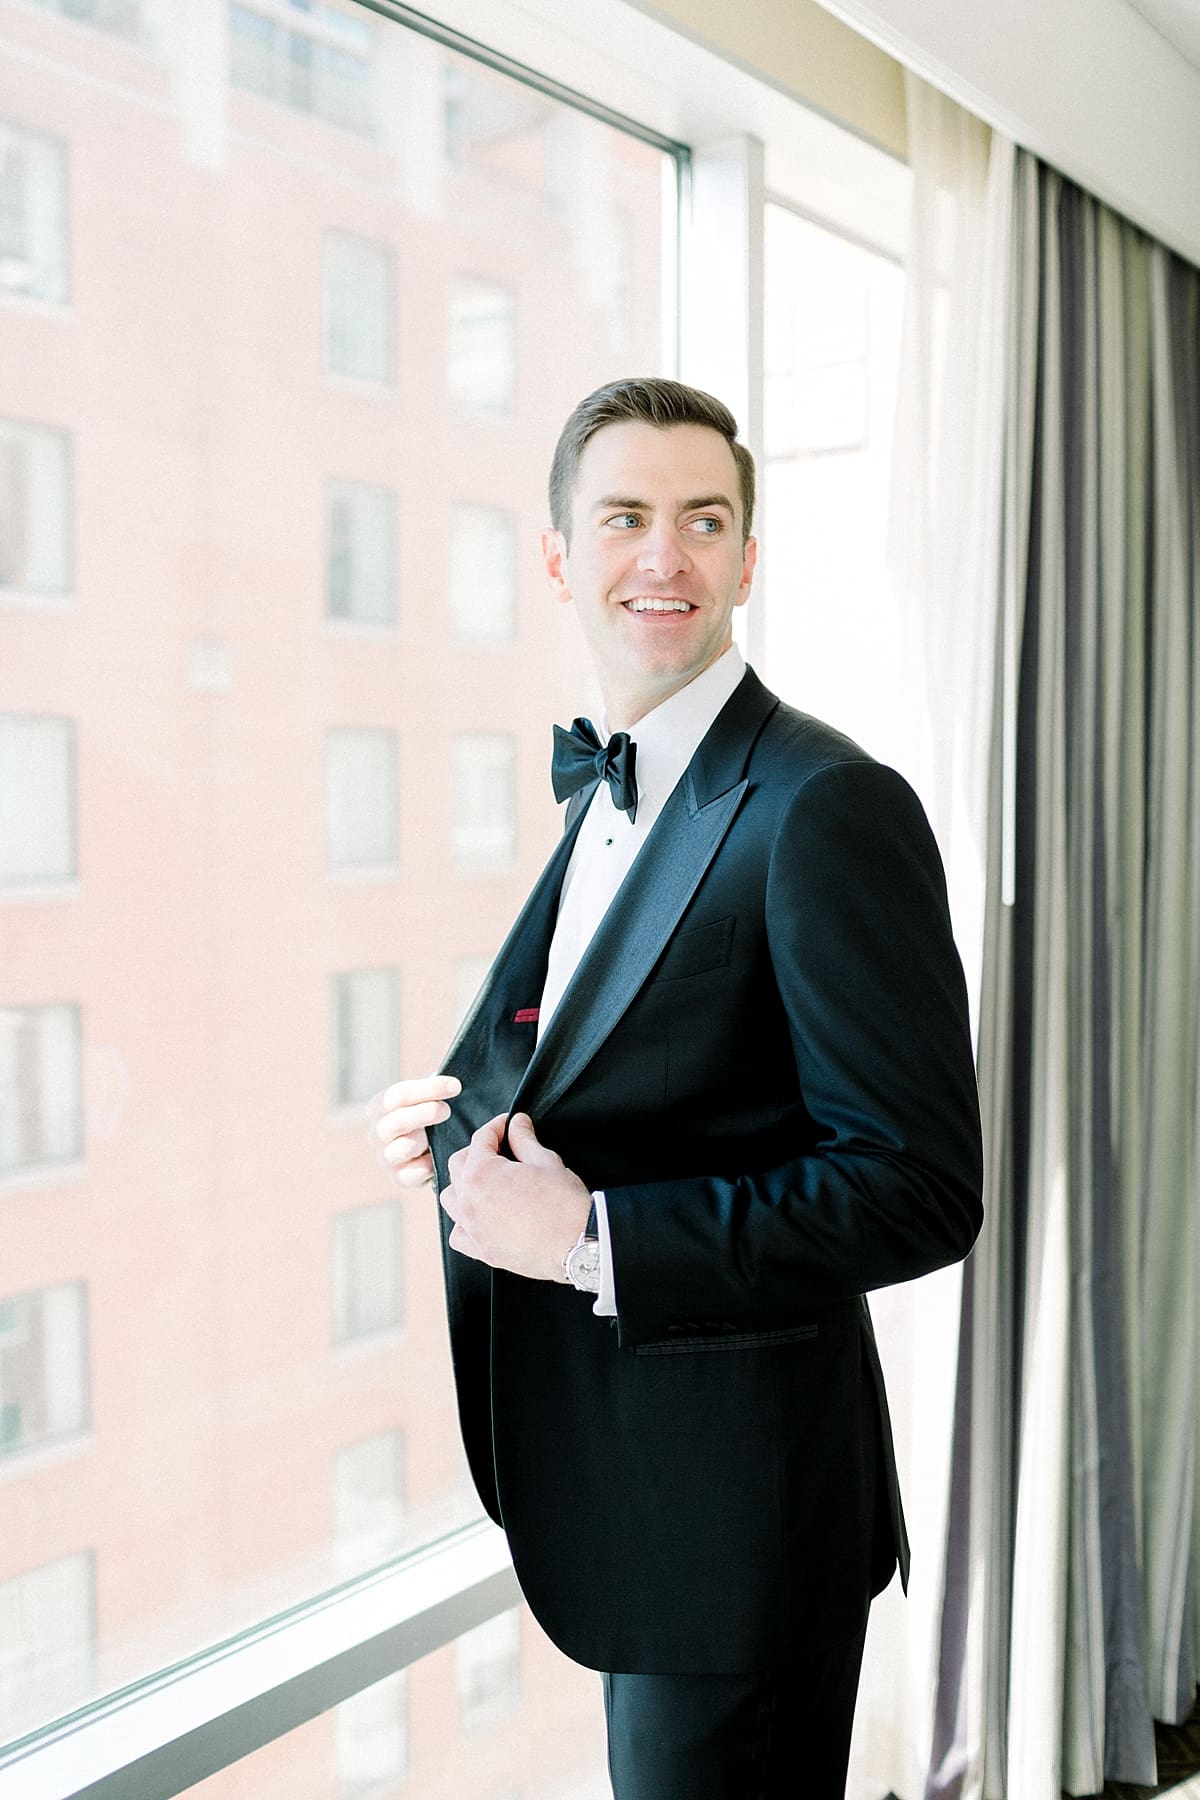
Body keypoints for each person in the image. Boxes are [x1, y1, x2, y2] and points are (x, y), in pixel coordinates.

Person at [368, 377, 983, 1799]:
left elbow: (917, 1189)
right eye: (626, 517)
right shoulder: (605, 788)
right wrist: (461, 1123)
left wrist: (590, 1241)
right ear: (558, 557)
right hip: (635, 1497)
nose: (666, 557)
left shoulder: (827, 805)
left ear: (748, 561)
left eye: (704, 521)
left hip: (739, 1528)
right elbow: (638, 1077)